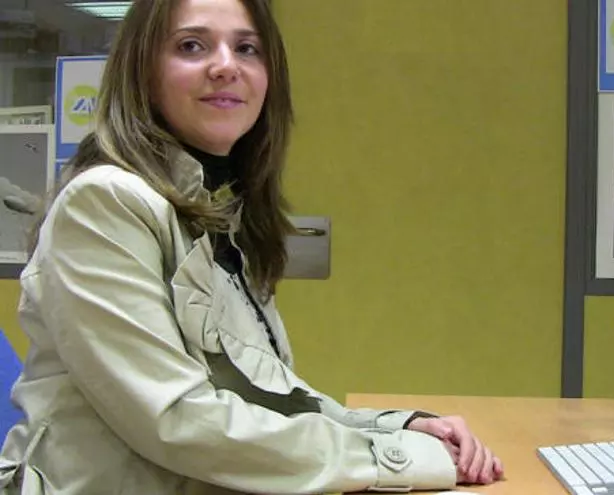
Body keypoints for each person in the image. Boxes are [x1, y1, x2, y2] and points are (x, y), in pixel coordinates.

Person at [0, 0, 503, 493]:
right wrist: (396, 461)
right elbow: (177, 420)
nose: (226, 66)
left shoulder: (216, 210)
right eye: (192, 46)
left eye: (247, 48)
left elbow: (268, 401)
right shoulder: (105, 202)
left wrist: (391, 429)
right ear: (143, 73)